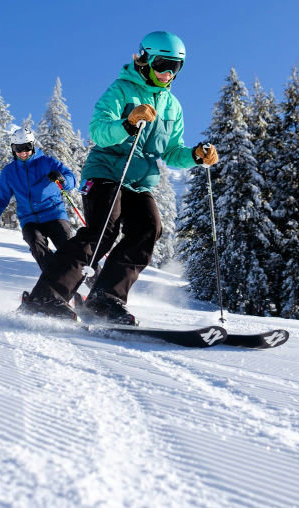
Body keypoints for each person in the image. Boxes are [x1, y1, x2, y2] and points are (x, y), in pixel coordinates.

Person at [20, 31, 219, 324]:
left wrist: (196, 156)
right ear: (145, 59)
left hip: (140, 182)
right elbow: (99, 131)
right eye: (162, 64)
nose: (167, 73)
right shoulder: (121, 90)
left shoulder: (173, 107)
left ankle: (105, 299)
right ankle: (46, 296)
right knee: (103, 231)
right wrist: (128, 122)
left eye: (174, 67)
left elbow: (171, 151)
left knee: (149, 229)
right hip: (106, 172)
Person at [0, 127, 78, 273]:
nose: (23, 152)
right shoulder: (9, 172)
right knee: (36, 244)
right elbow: (1, 198)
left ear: (33, 145)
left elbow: (72, 179)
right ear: (13, 149)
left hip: (54, 214)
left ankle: (97, 282)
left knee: (70, 251)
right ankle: (55, 282)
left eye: (27, 147)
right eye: (18, 148)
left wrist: (62, 179)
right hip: (29, 220)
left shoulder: (47, 162)